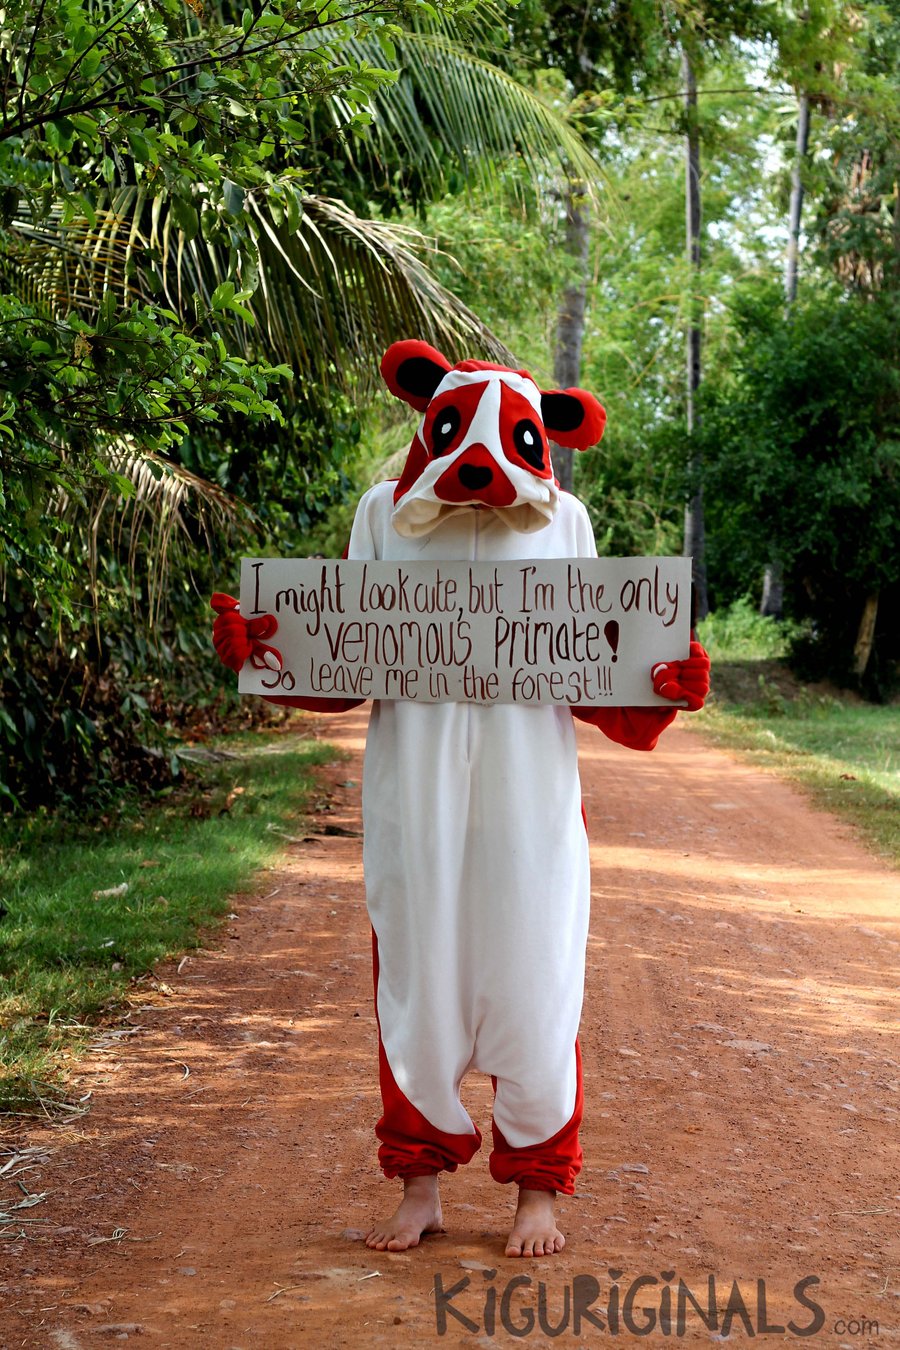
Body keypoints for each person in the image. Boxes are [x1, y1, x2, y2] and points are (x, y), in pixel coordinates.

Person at [212, 341, 710, 1258]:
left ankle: (538, 1195)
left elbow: (593, 673)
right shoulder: (383, 516)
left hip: (532, 799)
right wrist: (268, 653)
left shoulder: (567, 523)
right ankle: (421, 1187)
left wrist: (659, 686)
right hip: (417, 794)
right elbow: (345, 653)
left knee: (537, 982)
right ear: (428, 426)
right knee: (418, 981)